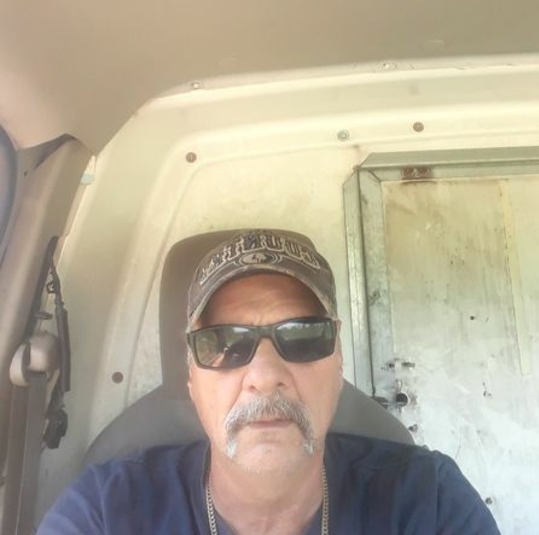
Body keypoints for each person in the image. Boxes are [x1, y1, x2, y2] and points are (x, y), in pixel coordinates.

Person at [38, 228, 500, 534]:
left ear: (338, 360)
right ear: (191, 377)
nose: (264, 376)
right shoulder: (105, 513)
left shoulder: (428, 504)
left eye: (301, 336)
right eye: (224, 342)